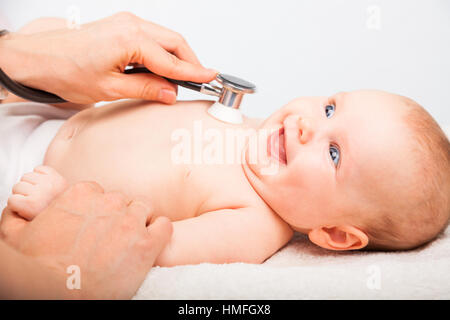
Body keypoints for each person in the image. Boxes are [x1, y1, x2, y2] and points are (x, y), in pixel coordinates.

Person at [0, 13, 217, 298]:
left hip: (31, 161)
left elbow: (167, 244)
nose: (298, 130)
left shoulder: (257, 221)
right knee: (54, 27)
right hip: (41, 120)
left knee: (53, 30)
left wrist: (14, 58)